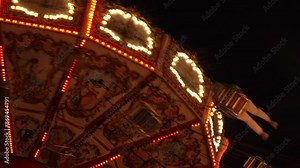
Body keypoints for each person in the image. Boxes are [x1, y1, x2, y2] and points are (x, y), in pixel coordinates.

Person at [212, 82, 278, 140]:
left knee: (253, 114)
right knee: (252, 116)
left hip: (239, 102)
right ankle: (264, 129)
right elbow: (234, 87)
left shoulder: (217, 86)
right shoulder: (215, 91)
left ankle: (267, 124)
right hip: (234, 108)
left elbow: (233, 87)